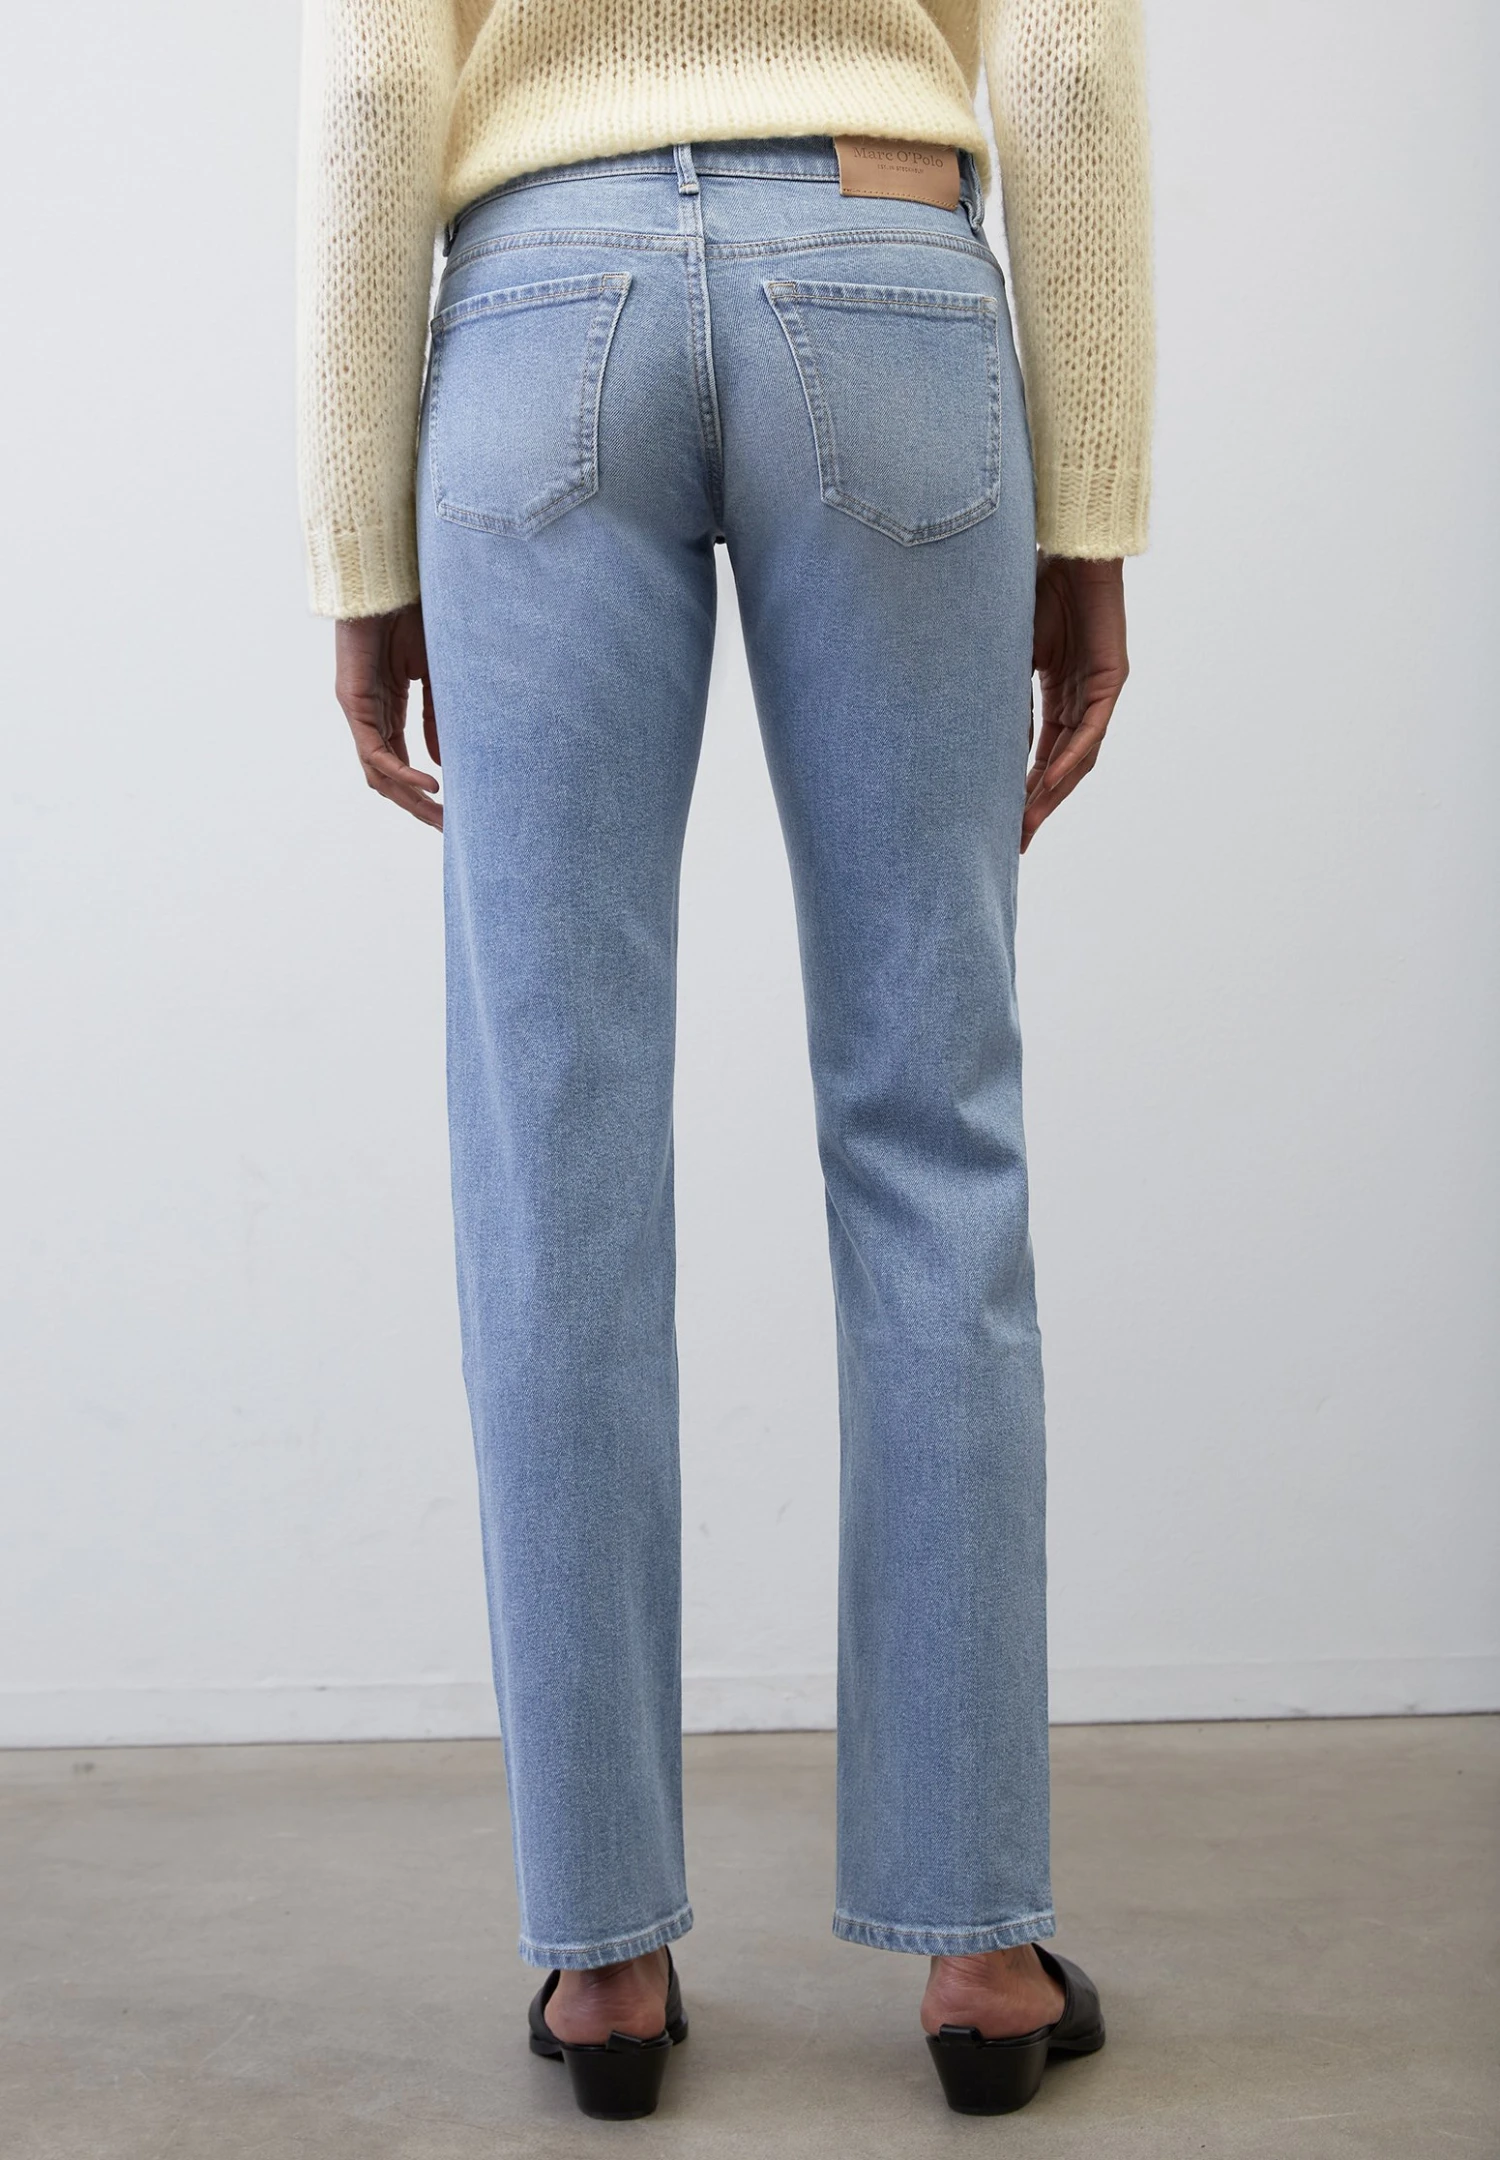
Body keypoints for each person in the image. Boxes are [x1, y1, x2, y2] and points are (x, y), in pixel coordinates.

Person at [296, 0, 1152, 2122]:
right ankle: (978, 1951)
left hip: (536, 304)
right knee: (934, 1116)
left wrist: (357, 539)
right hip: (886, 280)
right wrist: (1095, 515)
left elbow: (384, 77)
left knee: (555, 1144)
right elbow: (1060, 59)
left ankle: (602, 1958)